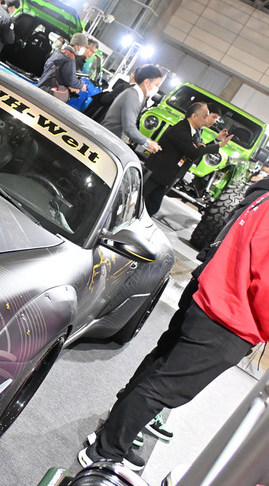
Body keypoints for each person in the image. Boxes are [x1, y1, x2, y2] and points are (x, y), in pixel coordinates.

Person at [78, 180, 269, 473]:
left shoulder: (263, 196)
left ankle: (112, 435)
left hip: (215, 296)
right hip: (228, 316)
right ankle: (105, 452)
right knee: (166, 387)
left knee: (160, 367)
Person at [143, 101, 233, 216]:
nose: (207, 119)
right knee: (141, 201)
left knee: (151, 207)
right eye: (206, 116)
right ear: (194, 116)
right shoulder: (182, 130)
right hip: (157, 172)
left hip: (166, 175)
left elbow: (197, 150)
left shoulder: (194, 131)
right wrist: (218, 146)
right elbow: (193, 153)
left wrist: (214, 142)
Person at [100, 64, 163, 153]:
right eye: (156, 85)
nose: (157, 89)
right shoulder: (131, 96)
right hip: (106, 141)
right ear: (146, 82)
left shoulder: (139, 98)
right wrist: (148, 143)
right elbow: (129, 128)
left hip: (112, 142)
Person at [36, 32, 89, 102]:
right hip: (50, 94)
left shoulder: (59, 52)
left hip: (42, 87)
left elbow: (54, 71)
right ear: (78, 46)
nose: (84, 50)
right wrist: (81, 86)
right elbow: (71, 80)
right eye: (84, 47)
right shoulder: (69, 58)